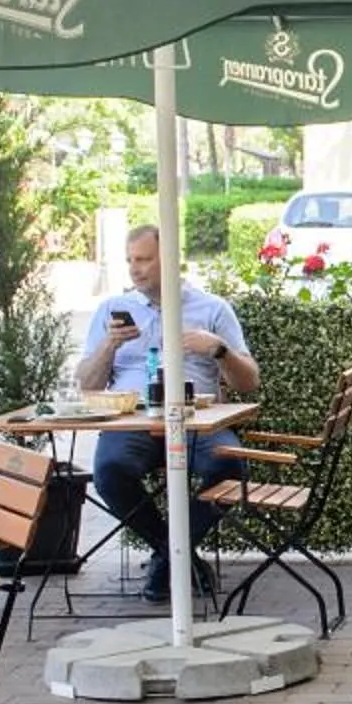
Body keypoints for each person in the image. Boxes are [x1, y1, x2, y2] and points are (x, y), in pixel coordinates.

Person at [77, 223, 261, 603]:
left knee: (229, 467)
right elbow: (87, 385)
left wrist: (219, 350)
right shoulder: (113, 310)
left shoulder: (212, 309)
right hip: (134, 421)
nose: (134, 269)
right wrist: (109, 346)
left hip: (197, 420)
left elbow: (249, 383)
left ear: (171, 259)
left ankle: (167, 559)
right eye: (130, 260)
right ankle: (174, 555)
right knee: (110, 472)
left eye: (144, 259)